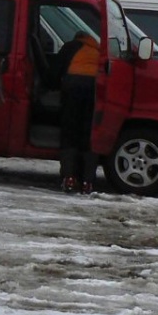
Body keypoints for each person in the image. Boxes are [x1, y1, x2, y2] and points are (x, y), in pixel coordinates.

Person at [56, 31, 101, 194]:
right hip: (94, 91)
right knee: (89, 135)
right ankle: (87, 181)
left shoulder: (70, 47)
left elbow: (54, 72)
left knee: (69, 133)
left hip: (72, 89)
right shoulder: (98, 50)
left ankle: (69, 178)